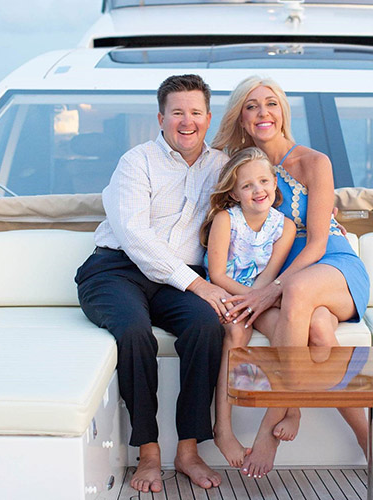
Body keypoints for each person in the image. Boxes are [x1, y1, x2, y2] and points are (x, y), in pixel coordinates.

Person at [75, 74, 232, 493]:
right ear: (161, 119)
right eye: (177, 112)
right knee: (134, 332)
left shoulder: (220, 167)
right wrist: (197, 285)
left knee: (207, 327)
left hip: (175, 281)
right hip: (117, 269)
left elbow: (257, 206)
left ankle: (187, 450)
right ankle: (148, 451)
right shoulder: (136, 162)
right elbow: (134, 235)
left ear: (208, 118)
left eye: (195, 112)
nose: (187, 121)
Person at [212, 75, 371, 479]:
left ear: (283, 112)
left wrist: (269, 291)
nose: (262, 113)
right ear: (241, 118)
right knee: (318, 329)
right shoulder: (239, 167)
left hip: (330, 264)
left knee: (299, 292)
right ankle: (366, 437)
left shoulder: (315, 162)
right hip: (278, 271)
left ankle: (270, 423)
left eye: (271, 103)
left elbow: (317, 243)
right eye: (251, 106)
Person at [200, 147, 296, 467]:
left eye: (264, 181)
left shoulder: (285, 226)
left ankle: (292, 406)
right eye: (248, 185)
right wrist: (246, 305)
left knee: (288, 328)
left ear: (274, 184)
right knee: (237, 335)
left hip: (259, 295)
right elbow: (217, 274)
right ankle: (223, 429)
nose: (259, 190)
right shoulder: (226, 220)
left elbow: (268, 278)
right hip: (227, 291)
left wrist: (257, 301)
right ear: (234, 192)